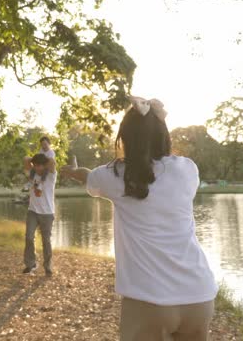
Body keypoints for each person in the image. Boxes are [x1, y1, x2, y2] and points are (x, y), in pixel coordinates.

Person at [61, 96, 218, 341]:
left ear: (125, 139)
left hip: (149, 300)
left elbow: (87, 175)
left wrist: (72, 171)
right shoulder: (187, 169)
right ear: (163, 135)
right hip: (199, 295)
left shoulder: (115, 176)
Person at [22, 153, 57, 276]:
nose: (37, 168)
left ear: (44, 165)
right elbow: (25, 159)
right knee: (29, 237)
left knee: (46, 241)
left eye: (39, 166)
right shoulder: (32, 175)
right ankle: (31, 264)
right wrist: (34, 160)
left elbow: (52, 162)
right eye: (35, 166)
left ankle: (48, 266)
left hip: (47, 213)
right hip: (33, 211)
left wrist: (44, 161)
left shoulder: (51, 176)